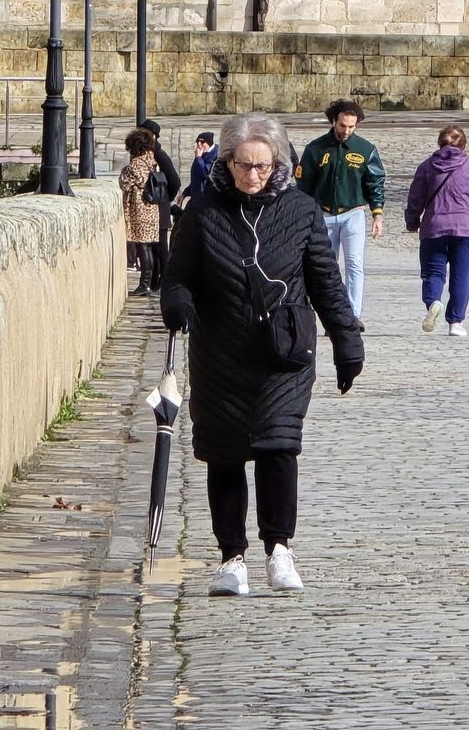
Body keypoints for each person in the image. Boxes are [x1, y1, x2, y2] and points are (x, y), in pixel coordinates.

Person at [161, 113, 365, 596]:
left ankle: (279, 549)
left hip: (283, 353)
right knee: (224, 454)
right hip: (220, 354)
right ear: (227, 162)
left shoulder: (301, 211)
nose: (253, 175)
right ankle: (231, 558)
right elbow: (178, 275)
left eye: (263, 166)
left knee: (278, 447)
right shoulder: (203, 212)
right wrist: (178, 303)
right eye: (243, 165)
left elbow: (325, 281)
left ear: (278, 165)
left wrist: (347, 340)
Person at [295, 100, 386, 331]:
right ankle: (331, 316)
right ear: (334, 121)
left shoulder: (365, 149)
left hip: (353, 213)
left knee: (354, 263)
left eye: (351, 127)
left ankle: (353, 315)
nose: (346, 131)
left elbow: (375, 182)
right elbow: (303, 186)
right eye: (342, 125)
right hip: (323, 215)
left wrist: (377, 214)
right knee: (326, 267)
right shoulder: (315, 149)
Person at [405, 125, 469, 337]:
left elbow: (415, 198)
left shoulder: (427, 167)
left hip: (434, 228)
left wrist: (412, 221)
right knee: (462, 276)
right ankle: (456, 323)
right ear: (463, 145)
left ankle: (433, 301)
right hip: (465, 231)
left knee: (433, 272)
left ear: (439, 143)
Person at [118, 128, 162, 296]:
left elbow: (124, 183)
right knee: (148, 247)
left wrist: (124, 171)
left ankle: (145, 284)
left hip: (139, 208)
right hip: (152, 208)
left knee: (142, 246)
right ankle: (147, 283)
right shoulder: (153, 161)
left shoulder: (136, 164)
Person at [138, 119, 181, 290]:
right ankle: (155, 282)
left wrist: (165, 199)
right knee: (152, 247)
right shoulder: (142, 154)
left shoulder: (159, 155)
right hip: (150, 207)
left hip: (159, 207)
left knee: (161, 248)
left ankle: (166, 280)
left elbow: (175, 181)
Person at [176, 131, 218, 208]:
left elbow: (206, 174)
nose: (199, 144)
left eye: (202, 142)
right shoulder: (201, 155)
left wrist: (198, 158)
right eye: (197, 141)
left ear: (209, 143)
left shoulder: (216, 155)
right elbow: (196, 178)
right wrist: (184, 194)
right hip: (196, 199)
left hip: (207, 201)